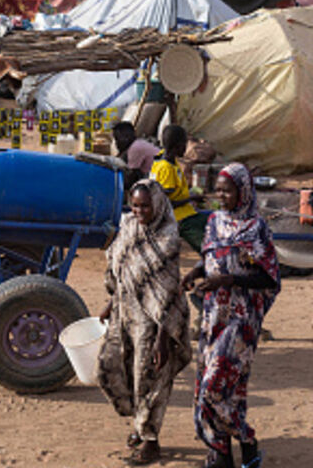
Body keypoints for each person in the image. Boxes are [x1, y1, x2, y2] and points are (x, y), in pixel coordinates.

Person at [182, 163, 279, 468]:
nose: (221, 196)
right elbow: (211, 257)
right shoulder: (213, 221)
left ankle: (246, 437)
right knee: (225, 389)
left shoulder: (257, 227)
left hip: (241, 320)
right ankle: (222, 451)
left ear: (243, 191)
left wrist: (229, 280)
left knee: (215, 385)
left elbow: (269, 278)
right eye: (219, 190)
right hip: (213, 316)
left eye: (228, 190)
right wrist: (196, 271)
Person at [96, 180, 192, 466]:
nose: (139, 211)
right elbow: (120, 266)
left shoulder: (167, 239)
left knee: (148, 379)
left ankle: (151, 441)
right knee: (110, 369)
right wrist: (111, 302)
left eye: (145, 206)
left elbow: (169, 291)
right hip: (125, 314)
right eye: (135, 205)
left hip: (154, 323)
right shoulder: (128, 225)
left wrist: (164, 337)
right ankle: (139, 424)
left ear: (159, 205)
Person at [151, 125, 205, 252]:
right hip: (178, 218)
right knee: (205, 244)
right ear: (178, 146)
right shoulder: (166, 169)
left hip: (186, 213)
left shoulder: (166, 160)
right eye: (185, 144)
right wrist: (190, 198)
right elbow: (165, 204)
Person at [114, 121, 160, 191]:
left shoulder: (135, 148)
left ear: (127, 137)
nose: (116, 144)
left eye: (117, 139)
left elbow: (131, 177)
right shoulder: (137, 144)